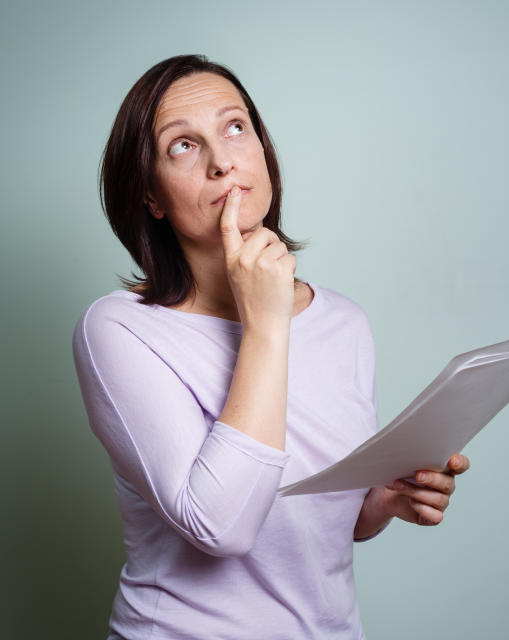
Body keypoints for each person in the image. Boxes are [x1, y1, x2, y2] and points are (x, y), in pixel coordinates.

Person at [72, 54, 471, 640]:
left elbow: (318, 525)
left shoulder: (346, 323)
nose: (222, 161)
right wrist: (265, 325)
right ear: (151, 197)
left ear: (262, 150)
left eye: (235, 128)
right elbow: (221, 526)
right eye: (183, 146)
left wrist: (382, 501)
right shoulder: (119, 330)